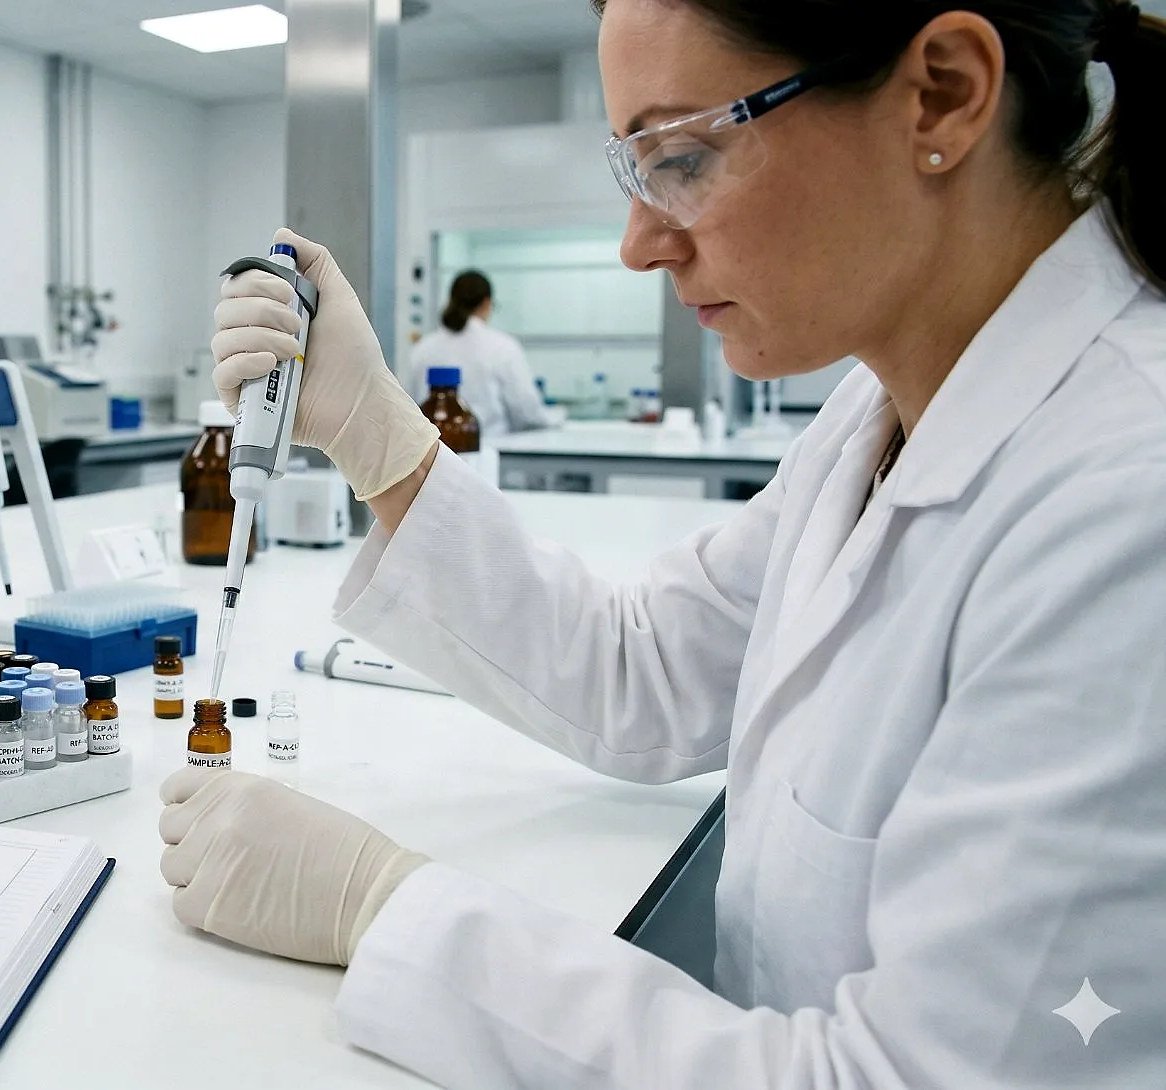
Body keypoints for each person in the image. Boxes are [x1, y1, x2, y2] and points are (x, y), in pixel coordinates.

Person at [169, 1, 1166, 1087]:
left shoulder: (1124, 505)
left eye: (683, 156)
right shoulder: (874, 411)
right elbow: (641, 665)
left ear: (941, 92)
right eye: (631, 169)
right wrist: (377, 435)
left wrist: (385, 907)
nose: (638, 241)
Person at [405, 271, 553, 433]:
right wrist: (554, 419)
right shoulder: (502, 347)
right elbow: (528, 413)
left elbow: (408, 407)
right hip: (493, 449)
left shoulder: (422, 348)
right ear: (486, 303)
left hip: (436, 452)